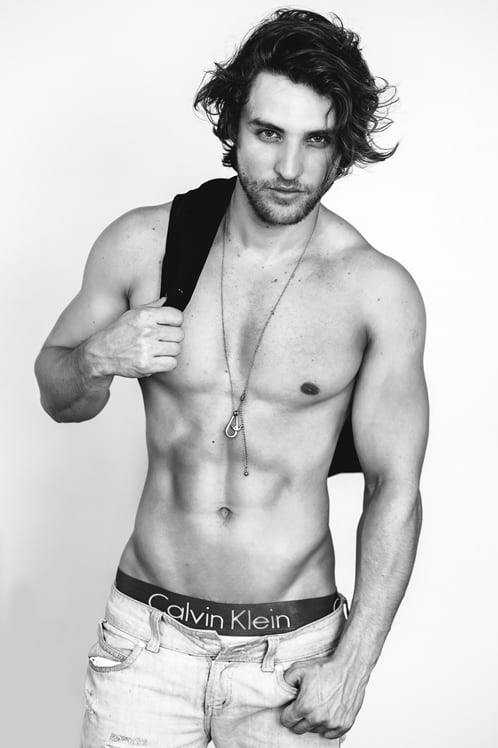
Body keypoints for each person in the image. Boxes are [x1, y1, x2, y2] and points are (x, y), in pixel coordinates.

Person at [35, 8, 428, 747]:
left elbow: (396, 489)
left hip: (291, 660)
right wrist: (96, 358)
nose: (289, 168)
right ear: (233, 127)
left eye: (316, 140)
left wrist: (354, 664)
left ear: (342, 148)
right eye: (268, 133)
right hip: (146, 646)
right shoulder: (142, 247)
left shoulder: (375, 293)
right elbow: (57, 391)